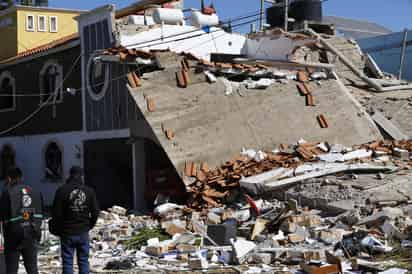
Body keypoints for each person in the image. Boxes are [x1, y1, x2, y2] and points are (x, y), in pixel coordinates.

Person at [51, 166, 99, 274]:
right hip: (83, 231)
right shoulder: (89, 191)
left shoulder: (62, 191)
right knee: (83, 261)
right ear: (82, 176)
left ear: (70, 175)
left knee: (67, 262)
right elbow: (95, 212)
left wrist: (59, 229)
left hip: (67, 232)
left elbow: (56, 214)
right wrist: (89, 225)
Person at [0, 166, 43, 274]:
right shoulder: (34, 191)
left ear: (9, 178)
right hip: (32, 233)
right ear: (22, 177)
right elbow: (39, 213)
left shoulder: (8, 192)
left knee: (11, 268)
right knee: (32, 267)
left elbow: (3, 214)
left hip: (13, 236)